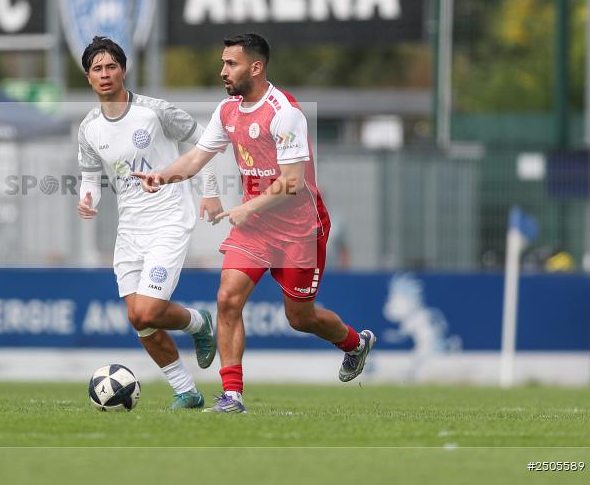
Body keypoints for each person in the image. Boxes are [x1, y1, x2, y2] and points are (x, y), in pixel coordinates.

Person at [134, 34, 375, 413]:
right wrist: (161, 176)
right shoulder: (227, 110)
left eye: (231, 64)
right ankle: (232, 396)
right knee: (227, 298)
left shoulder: (285, 112)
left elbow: (292, 181)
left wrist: (249, 207)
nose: (223, 71)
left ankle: (355, 344)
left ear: (256, 67)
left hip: (300, 229)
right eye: (223, 63)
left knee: (300, 317)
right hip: (256, 228)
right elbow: (197, 157)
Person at [76, 36, 222, 410]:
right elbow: (91, 176)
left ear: (123, 70)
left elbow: (205, 142)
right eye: (97, 69)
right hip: (130, 229)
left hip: (169, 218)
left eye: (111, 66)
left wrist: (209, 191)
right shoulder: (89, 128)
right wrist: (88, 198)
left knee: (151, 310)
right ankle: (187, 392)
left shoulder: (155, 111)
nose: (105, 74)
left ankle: (199, 323)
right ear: (88, 77)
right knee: (138, 318)